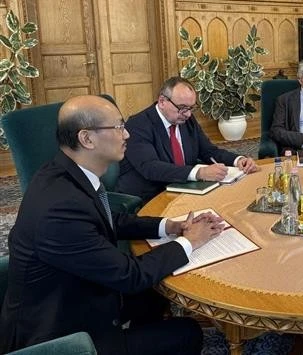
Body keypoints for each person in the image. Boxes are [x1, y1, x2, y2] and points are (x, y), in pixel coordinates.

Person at [0, 95, 225, 355]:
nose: (127, 134)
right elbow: (130, 276)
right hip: (62, 335)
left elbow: (109, 219)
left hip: (81, 291)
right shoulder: (59, 208)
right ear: (87, 138)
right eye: (118, 127)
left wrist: (169, 226)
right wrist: (190, 241)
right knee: (187, 332)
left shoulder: (65, 173)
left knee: (155, 293)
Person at [117, 77, 258, 202]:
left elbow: (208, 151)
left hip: (185, 190)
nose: (188, 114)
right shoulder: (138, 125)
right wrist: (199, 173)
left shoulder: (186, 119)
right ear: (162, 101)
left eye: (191, 108)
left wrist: (238, 160)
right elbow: (151, 168)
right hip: (150, 196)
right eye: (183, 108)